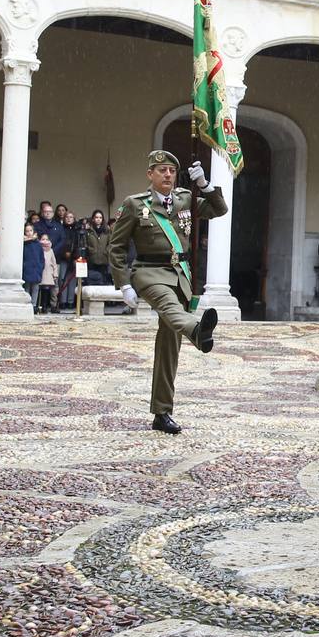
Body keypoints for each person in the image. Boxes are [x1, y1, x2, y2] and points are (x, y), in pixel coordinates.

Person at [109, 150, 227, 434]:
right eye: (161, 170)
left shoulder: (185, 199)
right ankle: (198, 330)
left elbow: (219, 209)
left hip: (180, 276)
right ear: (150, 175)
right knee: (172, 311)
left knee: (169, 346)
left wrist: (206, 186)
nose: (167, 175)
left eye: (172, 171)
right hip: (149, 273)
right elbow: (116, 246)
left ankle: (162, 412)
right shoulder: (136, 205)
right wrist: (123, 283)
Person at [84, 210, 112, 287]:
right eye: (96, 217)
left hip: (104, 261)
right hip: (92, 260)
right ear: (93, 219)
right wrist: (90, 250)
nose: (98, 219)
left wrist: (106, 251)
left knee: (103, 283)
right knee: (92, 282)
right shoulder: (88, 231)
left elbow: (111, 243)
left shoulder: (107, 230)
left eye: (100, 217)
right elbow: (84, 243)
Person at [22, 223, 42, 312]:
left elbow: (41, 257)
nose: (29, 233)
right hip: (27, 268)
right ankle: (26, 303)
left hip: (36, 269)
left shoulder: (37, 244)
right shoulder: (24, 244)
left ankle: (34, 305)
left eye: (30, 230)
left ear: (34, 232)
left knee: (35, 288)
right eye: (27, 231)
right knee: (27, 287)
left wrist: (40, 266)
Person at [37, 234, 58, 314]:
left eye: (46, 239)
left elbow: (54, 263)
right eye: (43, 239)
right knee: (40, 290)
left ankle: (46, 306)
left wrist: (55, 274)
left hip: (49, 272)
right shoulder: (39, 248)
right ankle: (40, 306)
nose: (44, 241)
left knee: (48, 290)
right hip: (41, 272)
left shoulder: (51, 250)